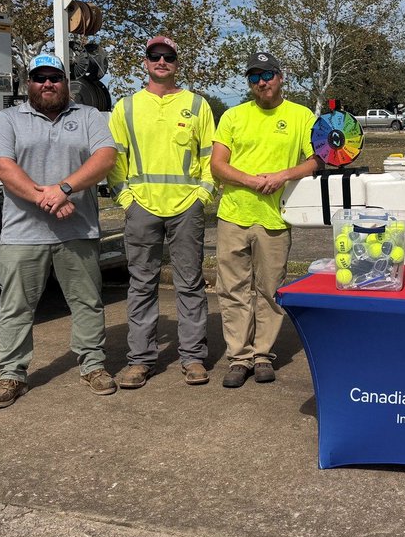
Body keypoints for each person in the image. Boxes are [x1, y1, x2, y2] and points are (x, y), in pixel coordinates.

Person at [0, 54, 119, 408]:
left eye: (55, 78)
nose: (48, 84)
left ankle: (93, 365)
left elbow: (105, 158)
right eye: (40, 78)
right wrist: (47, 198)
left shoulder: (88, 116)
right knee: (15, 307)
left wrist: (64, 189)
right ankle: (12, 374)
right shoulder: (9, 119)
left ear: (65, 82)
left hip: (78, 230)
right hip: (21, 234)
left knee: (87, 302)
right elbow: (2, 165)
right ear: (28, 83)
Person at [107, 35, 216, 388]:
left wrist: (203, 194)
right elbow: (115, 158)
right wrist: (125, 198)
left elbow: (209, 157)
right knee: (141, 284)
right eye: (155, 56)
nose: (162, 61)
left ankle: (193, 357)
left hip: (187, 207)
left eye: (168, 56)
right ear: (146, 62)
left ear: (176, 63)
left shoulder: (197, 105)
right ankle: (140, 360)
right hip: (142, 207)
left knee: (190, 283)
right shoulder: (125, 107)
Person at [210, 51, 321, 388]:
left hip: (275, 218)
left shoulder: (301, 116)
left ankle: (262, 356)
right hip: (233, 214)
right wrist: (250, 180)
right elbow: (217, 165)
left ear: (280, 76)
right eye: (254, 78)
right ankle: (239, 357)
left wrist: (282, 175)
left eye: (267, 75)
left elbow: (316, 159)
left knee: (270, 290)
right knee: (232, 290)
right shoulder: (233, 116)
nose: (262, 83)